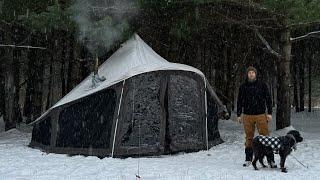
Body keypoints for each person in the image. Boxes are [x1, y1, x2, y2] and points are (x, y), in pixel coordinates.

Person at [237, 66, 274, 167]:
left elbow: (268, 99)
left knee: (266, 137)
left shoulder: (262, 85)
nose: (251, 74)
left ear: (255, 74)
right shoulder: (243, 86)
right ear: (247, 74)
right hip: (247, 115)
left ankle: (271, 160)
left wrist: (269, 113)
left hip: (261, 115)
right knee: (249, 138)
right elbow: (239, 101)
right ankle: (248, 159)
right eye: (249, 72)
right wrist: (239, 114)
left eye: (253, 72)